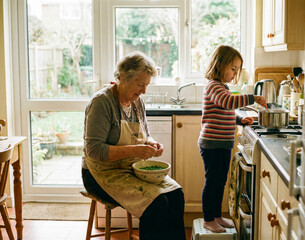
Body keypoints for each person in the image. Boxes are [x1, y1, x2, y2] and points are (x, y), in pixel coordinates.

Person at [82, 51, 186, 240]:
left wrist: (152, 143)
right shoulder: (101, 103)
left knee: (176, 195)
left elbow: (145, 134)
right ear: (122, 77)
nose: (143, 91)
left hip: (131, 169)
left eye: (146, 85)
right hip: (99, 173)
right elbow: (94, 150)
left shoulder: (137, 102)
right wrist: (136, 150)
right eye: (140, 84)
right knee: (157, 204)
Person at [198, 45, 267, 233]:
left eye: (237, 69)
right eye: (233, 69)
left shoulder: (223, 87)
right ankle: (207, 219)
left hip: (223, 144)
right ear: (219, 65)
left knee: (220, 182)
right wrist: (253, 98)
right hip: (212, 144)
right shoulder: (213, 85)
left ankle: (217, 215)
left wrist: (239, 119)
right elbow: (228, 102)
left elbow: (225, 111)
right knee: (212, 182)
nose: (234, 73)